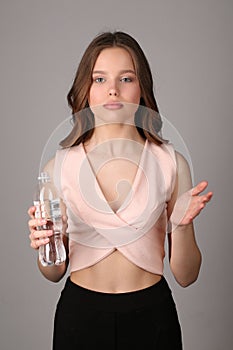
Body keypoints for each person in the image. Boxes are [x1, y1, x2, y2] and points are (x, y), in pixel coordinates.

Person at [28, 31, 213, 349]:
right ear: (85, 90)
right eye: (99, 79)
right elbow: (53, 272)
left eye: (126, 78)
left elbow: (186, 275)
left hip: (152, 318)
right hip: (79, 319)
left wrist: (180, 226)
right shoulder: (56, 169)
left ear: (142, 88)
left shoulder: (171, 163)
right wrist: (45, 245)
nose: (112, 89)